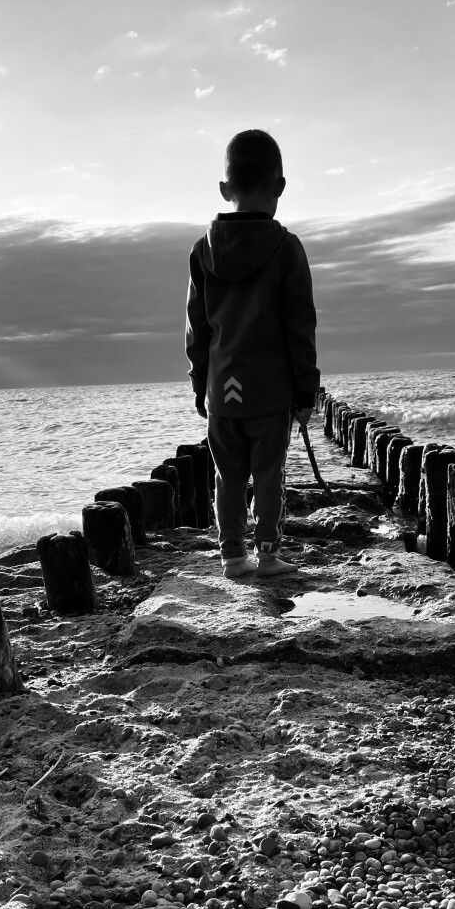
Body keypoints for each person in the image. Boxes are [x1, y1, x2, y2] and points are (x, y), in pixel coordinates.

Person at [185, 129, 320, 578]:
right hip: (270, 391)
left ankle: (231, 556)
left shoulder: (202, 251)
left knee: (226, 475)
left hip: (222, 389)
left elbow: (197, 328)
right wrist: (306, 390)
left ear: (225, 189)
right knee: (268, 474)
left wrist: (199, 383)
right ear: (279, 185)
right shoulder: (286, 248)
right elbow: (300, 326)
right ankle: (267, 555)